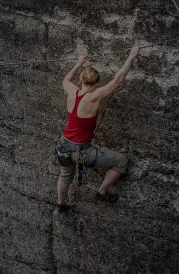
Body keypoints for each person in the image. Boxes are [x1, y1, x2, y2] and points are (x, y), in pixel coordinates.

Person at [56, 46, 139, 213]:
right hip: (81, 152)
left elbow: (65, 79)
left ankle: (61, 205)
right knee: (121, 161)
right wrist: (130, 57)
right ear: (96, 83)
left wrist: (79, 63)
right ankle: (102, 191)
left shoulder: (71, 90)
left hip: (63, 146)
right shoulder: (94, 96)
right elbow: (117, 80)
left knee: (65, 176)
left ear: (81, 80)